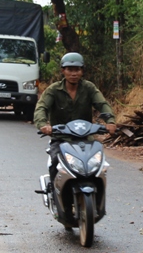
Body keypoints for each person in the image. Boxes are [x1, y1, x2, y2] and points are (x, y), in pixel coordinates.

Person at [34, 52, 117, 182]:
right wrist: (43, 125)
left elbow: (102, 104)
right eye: (70, 70)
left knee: (98, 163)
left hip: (85, 138)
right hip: (61, 139)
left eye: (77, 70)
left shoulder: (89, 88)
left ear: (82, 71)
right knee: (55, 161)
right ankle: (54, 191)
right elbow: (41, 108)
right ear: (63, 71)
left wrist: (110, 121)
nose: (74, 73)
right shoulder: (53, 90)